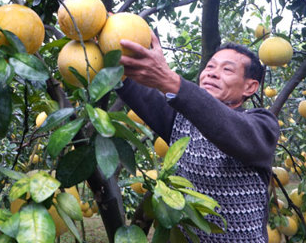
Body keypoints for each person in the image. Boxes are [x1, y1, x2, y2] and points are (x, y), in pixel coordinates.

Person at [117, 31, 279, 242]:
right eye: (210, 67)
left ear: (250, 87)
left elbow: (230, 129)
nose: (212, 73)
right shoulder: (180, 119)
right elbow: (136, 90)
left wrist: (171, 81)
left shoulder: (262, 125)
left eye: (227, 69)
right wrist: (109, 51)